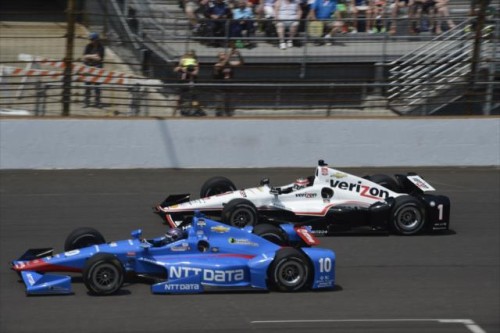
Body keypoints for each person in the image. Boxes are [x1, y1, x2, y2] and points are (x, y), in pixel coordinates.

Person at [213, 48, 244, 116]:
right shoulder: (217, 65)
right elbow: (222, 65)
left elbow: (241, 63)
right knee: (219, 100)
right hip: (220, 85)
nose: (223, 55)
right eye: (221, 54)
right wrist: (230, 54)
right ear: (218, 57)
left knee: (228, 99)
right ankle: (219, 113)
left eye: (224, 54)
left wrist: (239, 54)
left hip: (228, 84)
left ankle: (228, 112)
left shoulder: (230, 63)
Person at [82, 32, 105, 108]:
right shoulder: (88, 46)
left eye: (93, 39)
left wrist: (89, 56)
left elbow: (99, 58)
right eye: (91, 39)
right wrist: (93, 56)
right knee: (87, 85)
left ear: (97, 40)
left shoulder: (101, 47)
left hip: (97, 67)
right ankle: (86, 101)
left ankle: (97, 102)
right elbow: (84, 57)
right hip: (88, 67)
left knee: (97, 86)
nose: (91, 41)